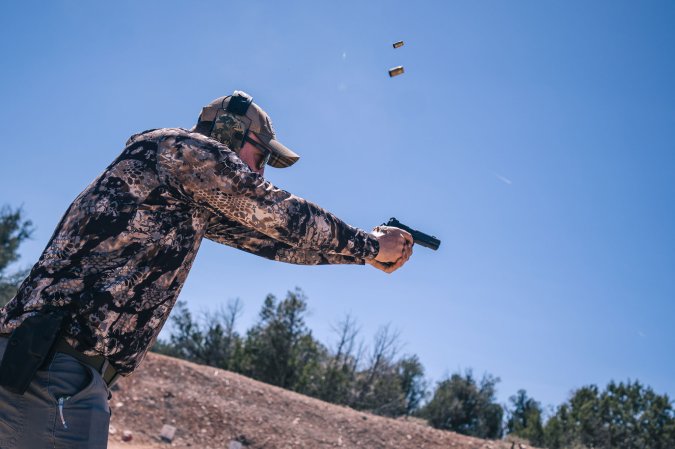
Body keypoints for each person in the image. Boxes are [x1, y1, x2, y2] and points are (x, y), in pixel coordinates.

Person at [0, 90, 413, 448]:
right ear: (231, 133)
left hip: (55, 370)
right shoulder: (181, 150)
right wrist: (370, 243)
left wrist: (366, 254)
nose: (261, 171)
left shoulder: (185, 192)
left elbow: (275, 240)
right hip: (55, 370)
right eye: (262, 155)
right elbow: (276, 211)